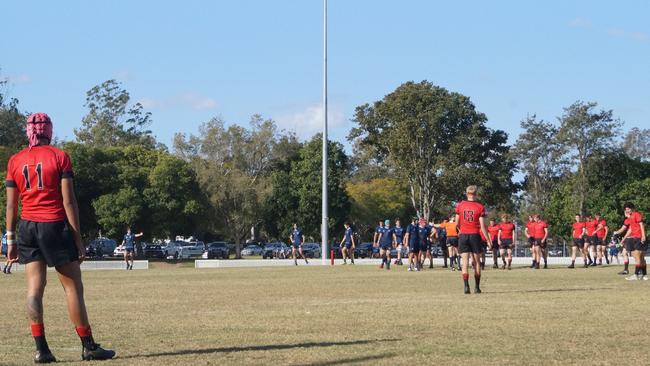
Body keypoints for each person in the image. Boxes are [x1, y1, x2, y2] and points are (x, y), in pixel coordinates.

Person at [4, 112, 115, 363]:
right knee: (72, 287)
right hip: (54, 224)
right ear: (49, 131)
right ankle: (88, 346)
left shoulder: (15, 161)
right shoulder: (59, 156)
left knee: (34, 289)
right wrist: (78, 238)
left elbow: (11, 206)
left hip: (27, 227)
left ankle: (41, 350)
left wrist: (9, 240)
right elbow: (68, 201)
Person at [455, 185, 490, 294]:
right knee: (477, 262)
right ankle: (477, 287)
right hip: (475, 235)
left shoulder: (460, 206)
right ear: (476, 194)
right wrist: (488, 240)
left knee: (464, 262)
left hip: (463, 234)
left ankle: (466, 286)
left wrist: (461, 230)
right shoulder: (480, 207)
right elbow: (483, 226)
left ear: (466, 193)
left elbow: (456, 223)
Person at [612, 203, 646, 280]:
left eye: (628, 209)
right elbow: (629, 229)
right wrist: (616, 233)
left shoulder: (636, 214)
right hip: (634, 238)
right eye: (626, 209)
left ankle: (638, 274)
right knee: (636, 256)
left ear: (632, 209)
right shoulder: (629, 218)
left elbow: (641, 225)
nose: (627, 210)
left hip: (638, 237)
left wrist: (643, 235)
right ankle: (642, 274)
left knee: (638, 256)